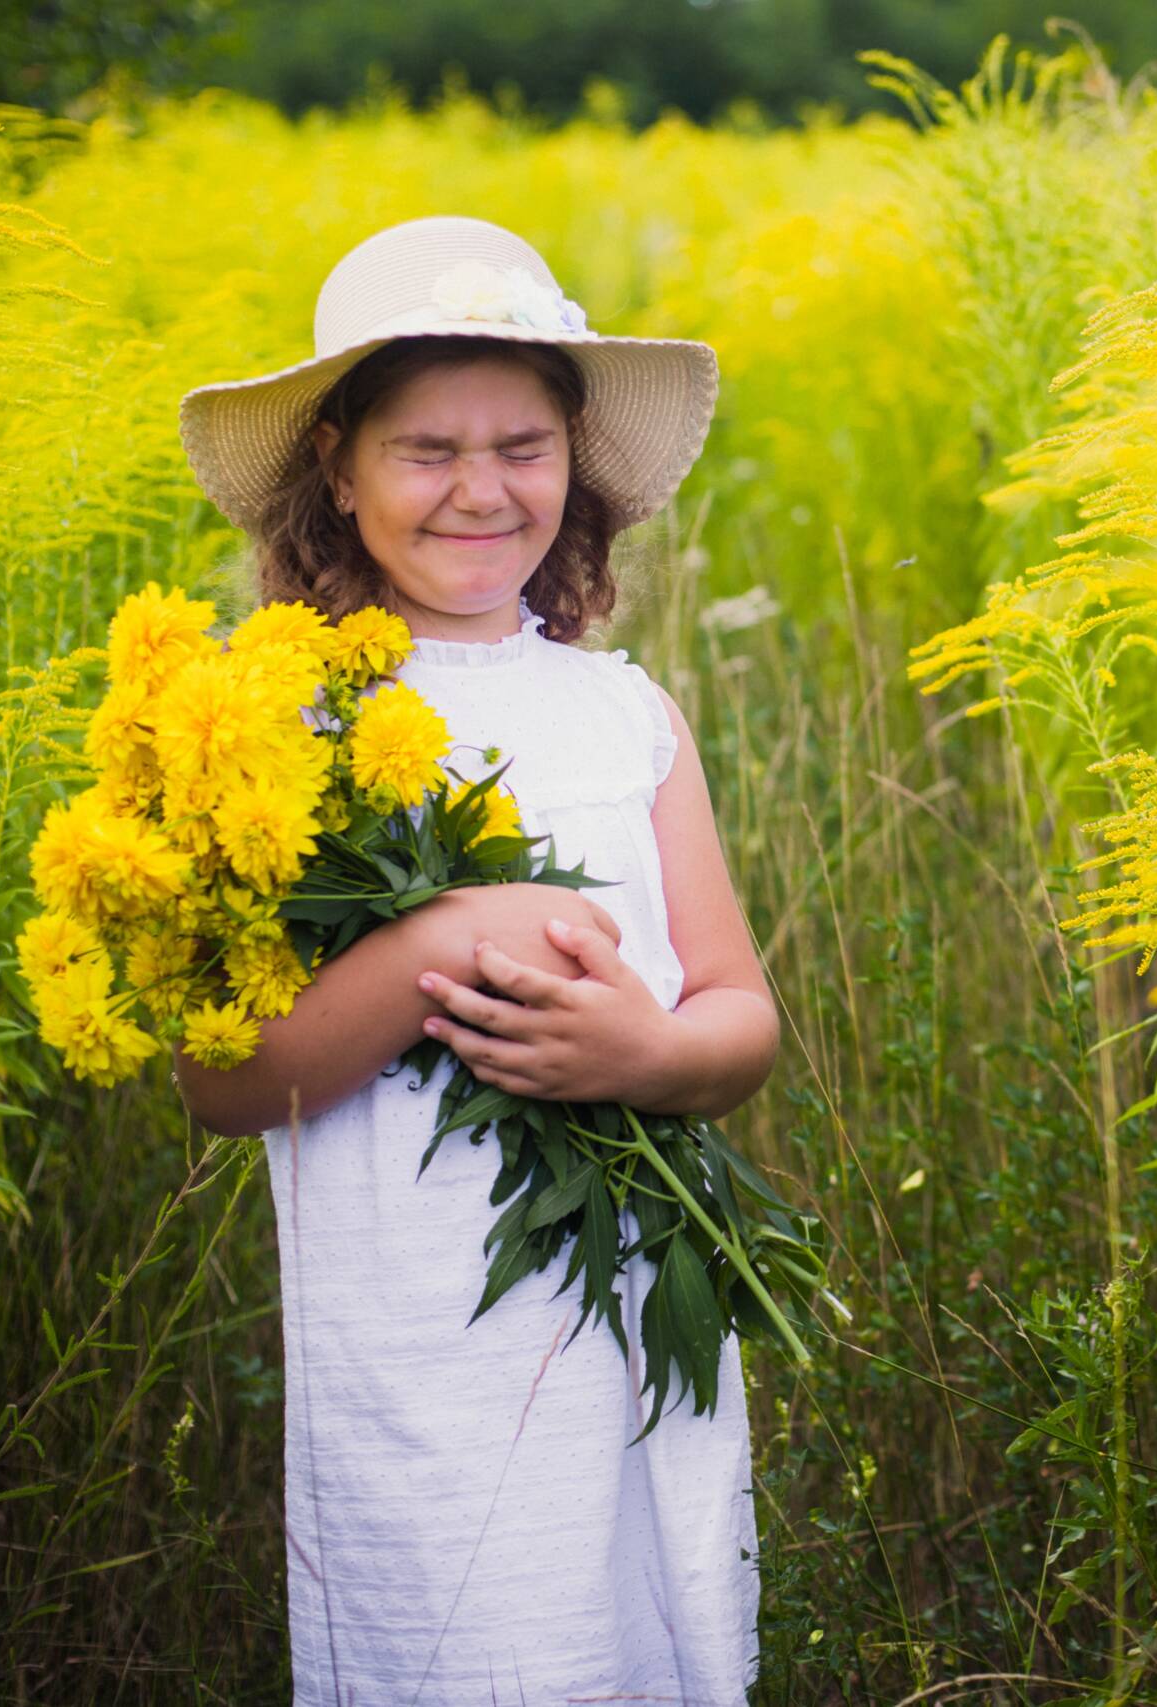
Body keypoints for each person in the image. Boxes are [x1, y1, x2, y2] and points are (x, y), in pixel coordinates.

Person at [168, 215, 776, 1706]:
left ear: (574, 462)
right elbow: (225, 1083)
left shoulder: (626, 713)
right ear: (338, 467)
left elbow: (740, 1016)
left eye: (522, 447)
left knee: (642, 1635)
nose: (481, 489)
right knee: (469, 1650)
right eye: (426, 450)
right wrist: (437, 941)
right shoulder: (271, 723)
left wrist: (649, 1056)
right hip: (419, 1337)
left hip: (637, 1310)